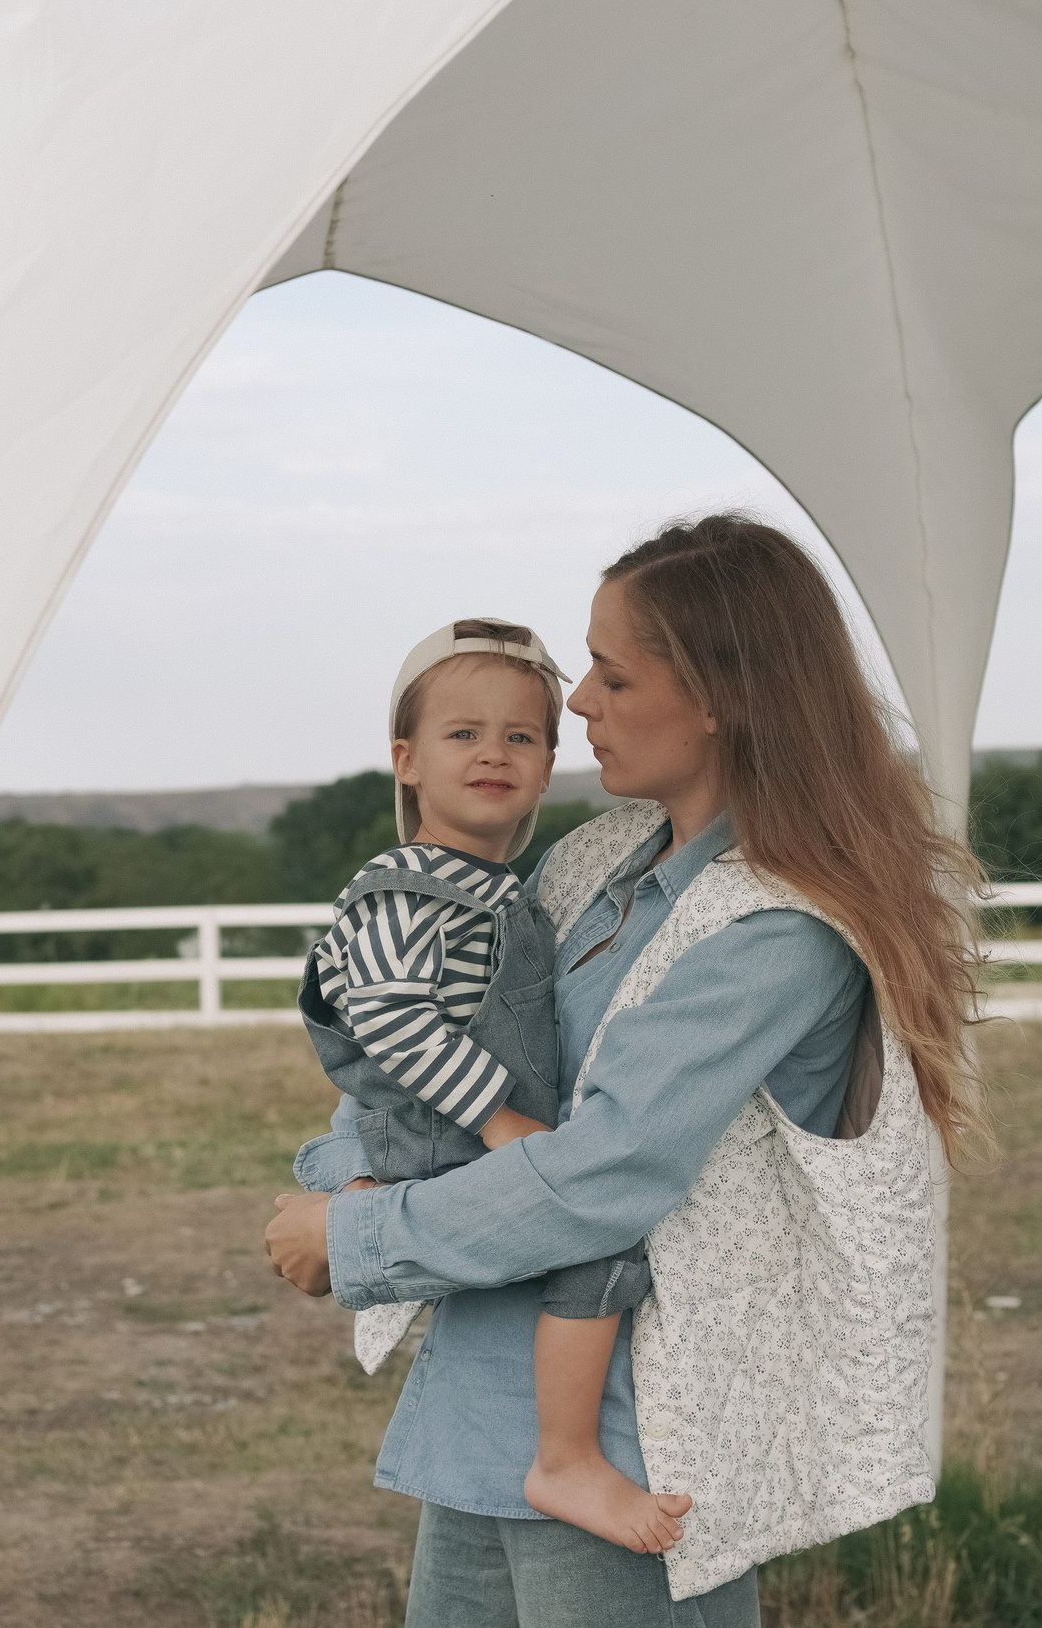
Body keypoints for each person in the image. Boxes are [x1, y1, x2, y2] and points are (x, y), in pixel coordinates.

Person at [267, 514, 983, 1628]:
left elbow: (604, 1172)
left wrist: (356, 1238)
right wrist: (345, 1177)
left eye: (610, 673)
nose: (580, 703)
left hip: (632, 1445)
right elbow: (442, 1044)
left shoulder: (776, 926)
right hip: (482, 1404)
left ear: (720, 694)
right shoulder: (597, 857)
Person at [296, 618, 686, 1557]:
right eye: (462, 733)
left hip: (460, 1130)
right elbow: (392, 1022)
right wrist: (501, 1118)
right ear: (407, 760)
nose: (493, 753)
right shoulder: (403, 892)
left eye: (520, 735)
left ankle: (556, 1449)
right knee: (596, 1252)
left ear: (548, 765)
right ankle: (566, 1456)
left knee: (587, 1247)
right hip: (444, 1134)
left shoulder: (506, 890)